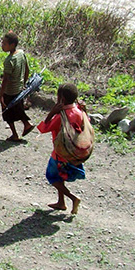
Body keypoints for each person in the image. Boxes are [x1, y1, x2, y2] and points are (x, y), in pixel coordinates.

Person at [36, 83, 87, 215]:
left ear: (62, 99)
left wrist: (51, 113)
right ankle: (61, 202)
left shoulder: (61, 116)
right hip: (73, 152)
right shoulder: (79, 111)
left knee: (52, 176)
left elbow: (44, 129)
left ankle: (73, 198)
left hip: (59, 153)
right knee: (60, 177)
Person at [0, 31, 34, 141]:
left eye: (4, 43)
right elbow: (27, 69)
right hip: (19, 89)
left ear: (12, 45)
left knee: (7, 113)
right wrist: (24, 83)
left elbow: (5, 80)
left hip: (10, 91)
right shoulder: (21, 54)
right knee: (18, 109)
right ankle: (27, 124)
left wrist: (1, 95)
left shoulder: (9, 61)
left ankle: (15, 134)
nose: (2, 45)